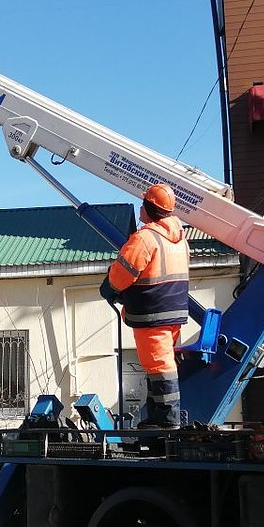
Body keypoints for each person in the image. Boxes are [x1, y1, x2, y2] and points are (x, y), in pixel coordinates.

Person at [101, 183, 191, 429]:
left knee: (159, 365)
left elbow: (121, 275)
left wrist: (110, 288)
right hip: (174, 311)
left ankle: (166, 420)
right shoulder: (180, 240)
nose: (140, 206)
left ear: (150, 208)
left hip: (152, 313)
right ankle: (155, 416)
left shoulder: (145, 238)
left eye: (143, 203)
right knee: (162, 362)